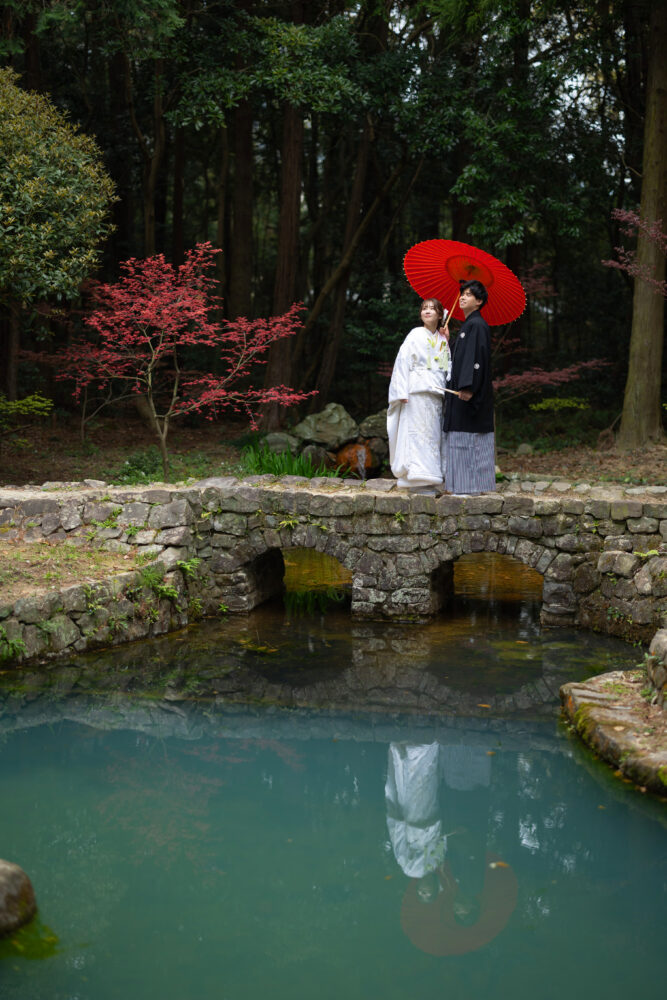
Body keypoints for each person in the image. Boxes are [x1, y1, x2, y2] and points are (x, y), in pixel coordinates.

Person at [387, 298, 451, 493]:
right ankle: (414, 478)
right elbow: (402, 362)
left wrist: (446, 341)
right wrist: (401, 391)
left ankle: (431, 477)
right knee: (415, 435)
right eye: (424, 308)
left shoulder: (442, 339)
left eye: (432, 309)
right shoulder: (415, 334)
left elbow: (447, 366)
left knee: (432, 437)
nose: (428, 311)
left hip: (435, 394)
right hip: (415, 393)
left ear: (440, 315)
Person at [442, 280, 495, 494]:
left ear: (479, 301)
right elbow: (460, 355)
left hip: (468, 394)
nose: (462, 297)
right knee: (460, 439)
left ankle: (469, 487)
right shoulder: (468, 326)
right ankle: (461, 486)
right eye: (462, 293)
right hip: (461, 394)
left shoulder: (477, 325)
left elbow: (476, 359)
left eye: (468, 294)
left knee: (469, 439)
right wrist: (449, 340)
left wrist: (468, 385)